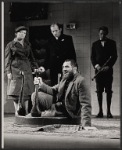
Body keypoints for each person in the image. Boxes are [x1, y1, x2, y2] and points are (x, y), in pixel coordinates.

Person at [31, 59, 91, 128]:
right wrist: (41, 84)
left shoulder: (80, 81)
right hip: (57, 105)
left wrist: (86, 125)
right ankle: (43, 113)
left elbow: (85, 104)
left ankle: (45, 114)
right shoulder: (65, 78)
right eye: (63, 67)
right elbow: (53, 90)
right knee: (35, 95)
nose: (64, 69)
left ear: (75, 68)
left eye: (67, 67)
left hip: (67, 111)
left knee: (43, 114)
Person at [5, 25, 38, 116]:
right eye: (21, 33)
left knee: (27, 91)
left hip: (26, 69)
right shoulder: (11, 45)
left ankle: (26, 112)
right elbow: (7, 59)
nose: (23, 35)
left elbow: (32, 57)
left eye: (24, 33)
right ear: (16, 34)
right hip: (16, 69)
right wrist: (8, 72)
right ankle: (17, 112)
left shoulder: (28, 44)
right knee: (16, 92)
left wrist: (35, 67)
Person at [91, 26, 118, 118]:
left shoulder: (112, 43)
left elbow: (114, 56)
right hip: (98, 71)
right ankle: (100, 112)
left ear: (106, 33)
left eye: (103, 33)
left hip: (108, 71)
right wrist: (96, 66)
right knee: (99, 91)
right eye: (100, 33)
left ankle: (109, 112)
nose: (101, 35)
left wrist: (109, 66)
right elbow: (92, 57)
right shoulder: (95, 44)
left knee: (108, 91)